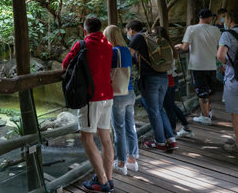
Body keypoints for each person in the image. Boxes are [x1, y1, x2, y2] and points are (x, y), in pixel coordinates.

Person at [62, 17, 114, 192]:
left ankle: (102, 181)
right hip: (108, 95)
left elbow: (65, 64)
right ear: (101, 29)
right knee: (106, 139)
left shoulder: (82, 44)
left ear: (85, 31)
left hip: (92, 98)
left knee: (87, 138)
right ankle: (109, 178)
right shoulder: (109, 45)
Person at [126, 20, 177, 151]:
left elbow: (128, 56)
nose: (128, 34)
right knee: (160, 109)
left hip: (150, 79)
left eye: (127, 31)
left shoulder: (138, 37)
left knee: (154, 111)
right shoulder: (151, 36)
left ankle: (159, 141)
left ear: (131, 29)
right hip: (163, 76)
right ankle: (171, 139)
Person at [175, 9, 221, 125]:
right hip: (212, 64)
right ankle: (207, 112)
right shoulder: (216, 29)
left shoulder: (191, 29)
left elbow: (185, 48)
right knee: (209, 91)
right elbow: (219, 46)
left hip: (197, 65)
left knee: (201, 92)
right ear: (208, 18)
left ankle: (205, 117)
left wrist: (179, 46)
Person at [103, 25, 139, 176]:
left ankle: (121, 163)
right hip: (130, 92)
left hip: (117, 95)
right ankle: (133, 160)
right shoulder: (126, 50)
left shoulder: (112, 52)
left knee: (119, 130)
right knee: (130, 127)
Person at [153, 26, 193, 138]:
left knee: (168, 106)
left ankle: (172, 131)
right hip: (172, 77)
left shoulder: (163, 48)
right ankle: (185, 126)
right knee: (170, 105)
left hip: (168, 77)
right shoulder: (170, 46)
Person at [217, 9, 238, 154]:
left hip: (234, 78)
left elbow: (220, 55)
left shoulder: (227, 34)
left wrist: (227, 64)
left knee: (236, 114)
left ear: (229, 19)